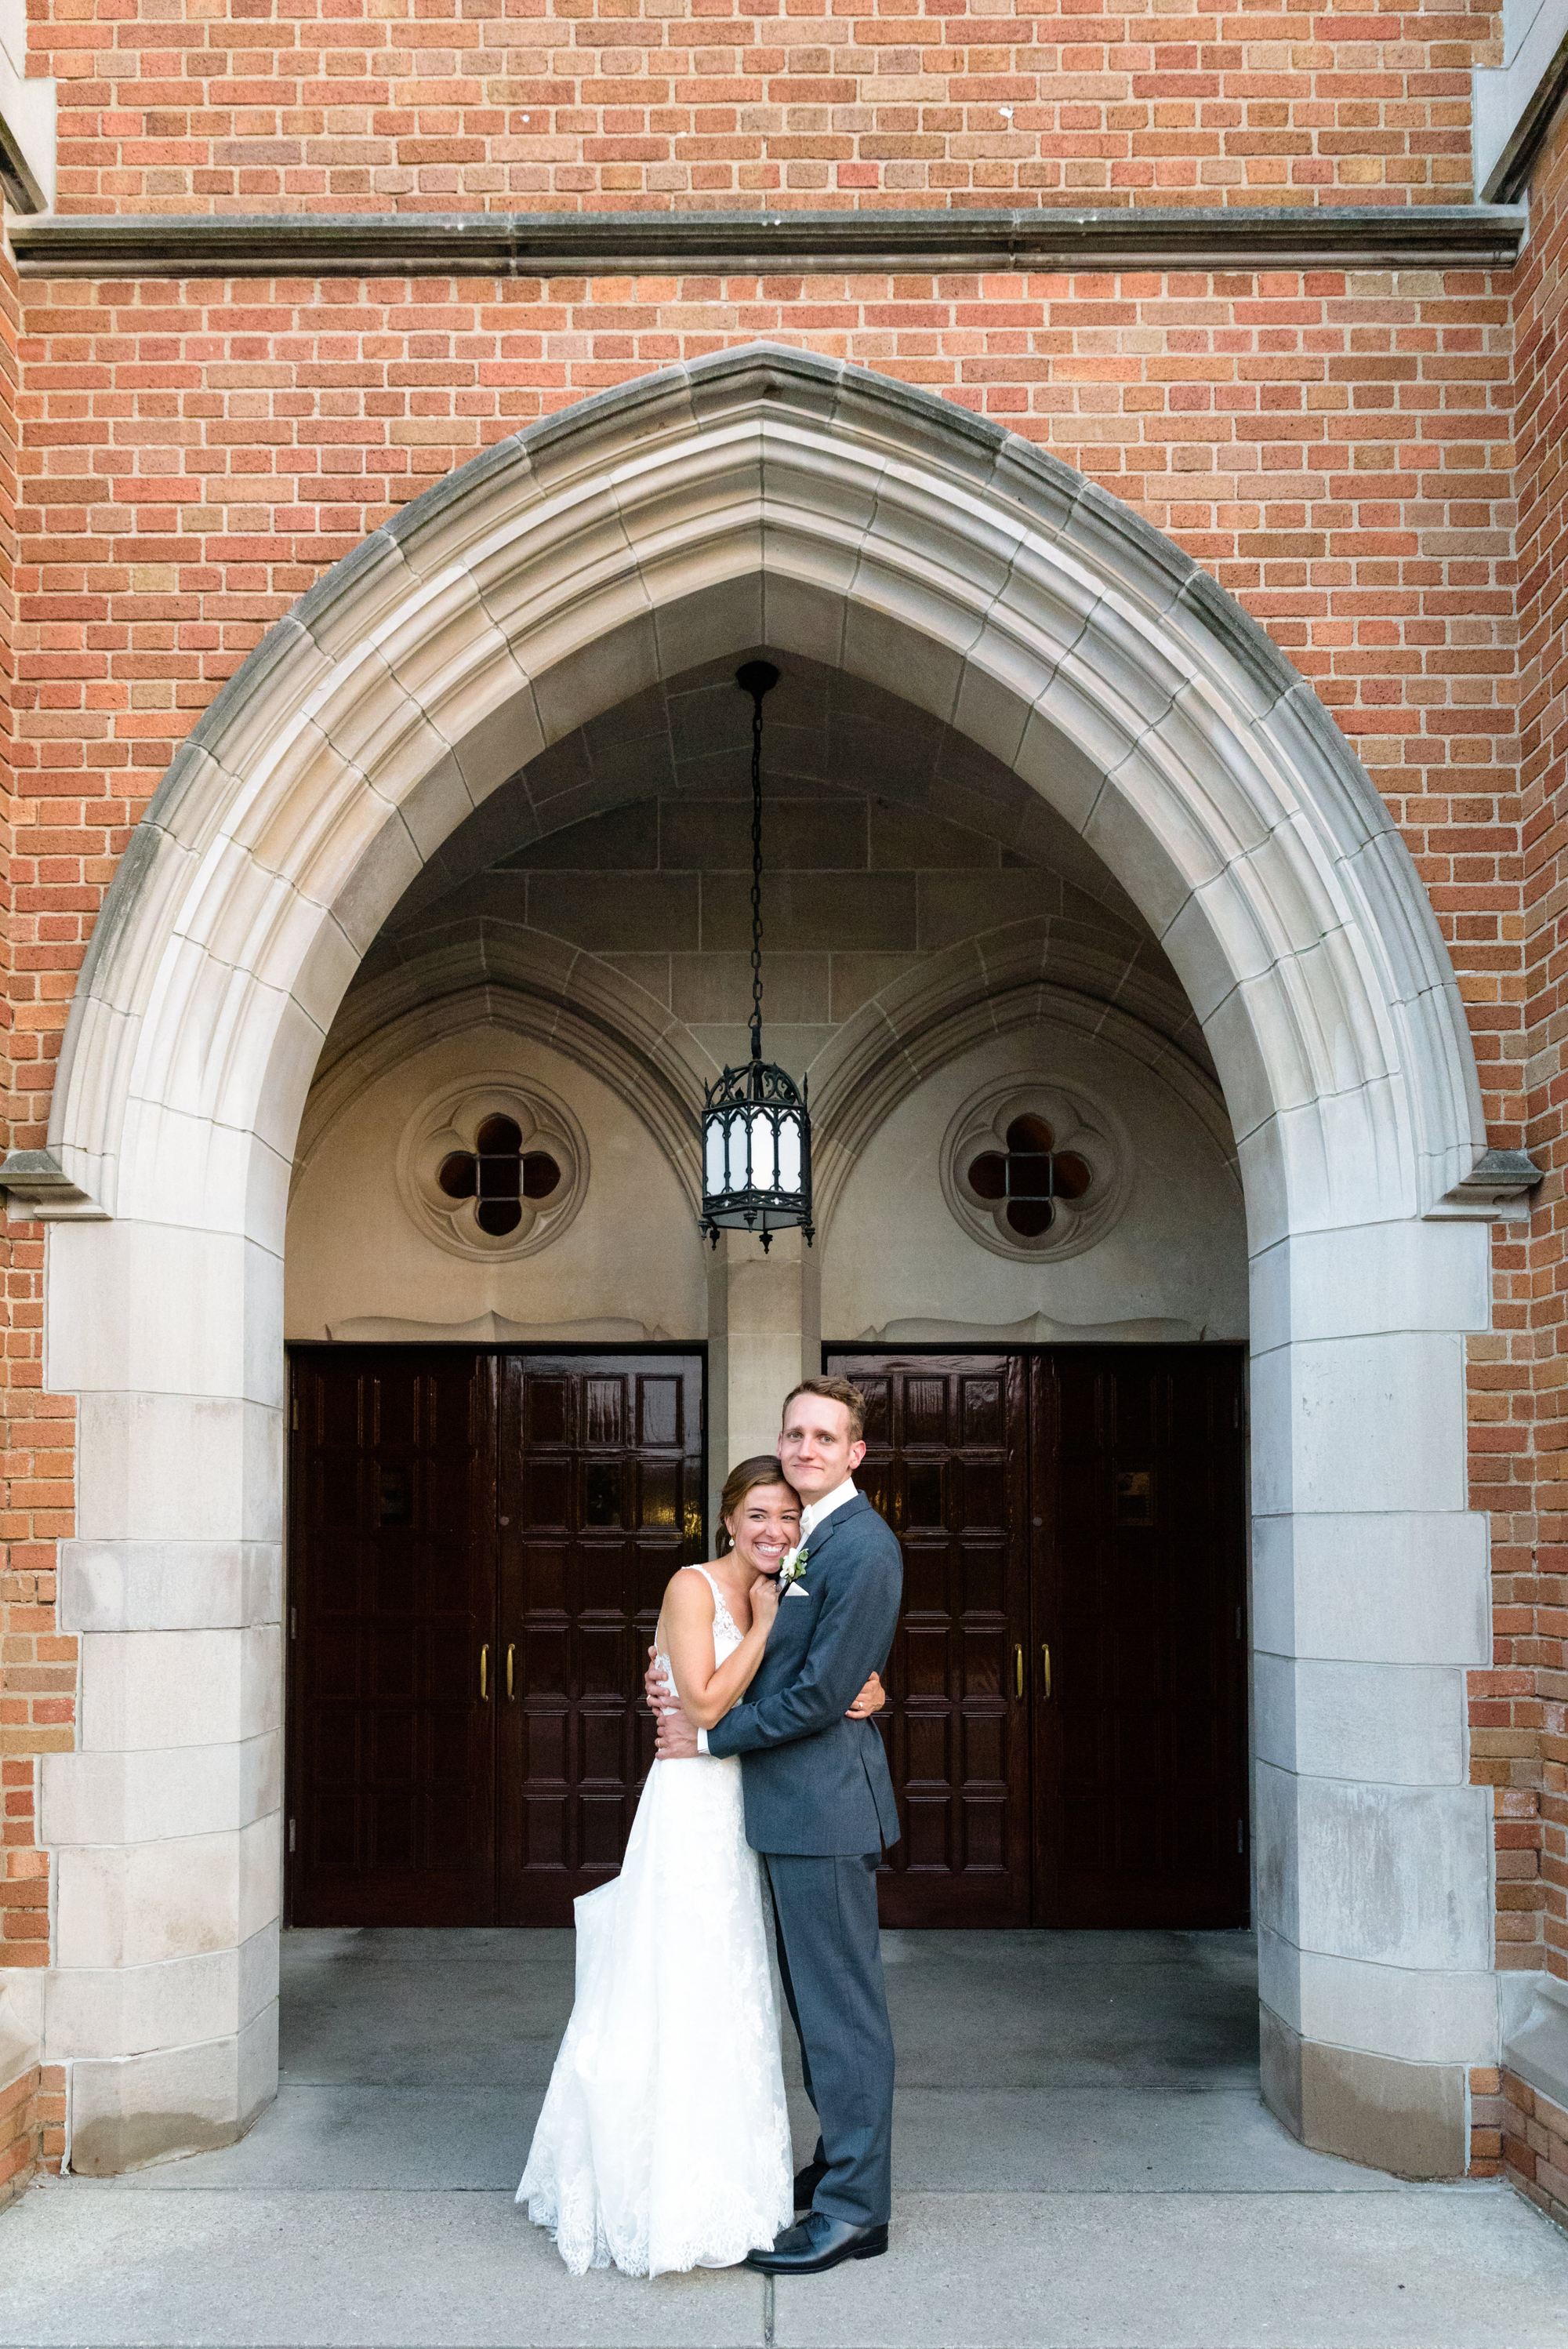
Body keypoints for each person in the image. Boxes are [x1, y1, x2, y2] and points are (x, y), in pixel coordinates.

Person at [516, 1453, 887, 2278]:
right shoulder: (697, 1586)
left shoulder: (793, 1587)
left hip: (753, 1807)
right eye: (758, 1513)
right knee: (675, 1984)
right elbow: (707, 1703)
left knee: (736, 1992)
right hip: (692, 1808)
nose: (774, 1529)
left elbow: (823, 1679)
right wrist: (757, 1621)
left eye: (788, 1517)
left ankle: (740, 2180)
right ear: (727, 1519)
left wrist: (871, 1690)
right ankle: (662, 2182)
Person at [651, 1376, 904, 2277]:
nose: (804, 1447)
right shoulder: (807, 1536)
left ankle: (853, 2211)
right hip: (790, 1803)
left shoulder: (861, 1545)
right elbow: (802, 1665)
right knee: (815, 2007)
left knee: (842, 2014)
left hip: (825, 1805)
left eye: (823, 1436)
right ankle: (838, 2163)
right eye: (794, 1432)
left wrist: (714, 1731)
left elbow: (824, 1690)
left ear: (853, 1451)